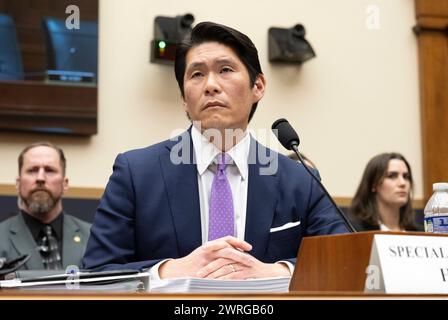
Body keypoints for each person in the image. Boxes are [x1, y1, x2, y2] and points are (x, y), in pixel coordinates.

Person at [82, 21, 350, 279]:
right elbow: (96, 272)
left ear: (258, 86)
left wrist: (277, 272)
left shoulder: (300, 179)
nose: (210, 85)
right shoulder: (136, 174)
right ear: (184, 99)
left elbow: (344, 260)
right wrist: (165, 272)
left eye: (225, 70)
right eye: (197, 74)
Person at [0, 142, 91, 271]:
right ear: (18, 183)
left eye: (50, 170)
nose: (40, 178)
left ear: (65, 184)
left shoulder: (91, 237)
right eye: (32, 170)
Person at [348, 152, 420, 232]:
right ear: (374, 184)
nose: (403, 183)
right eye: (392, 176)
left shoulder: (421, 233)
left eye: (406, 177)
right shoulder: (355, 231)